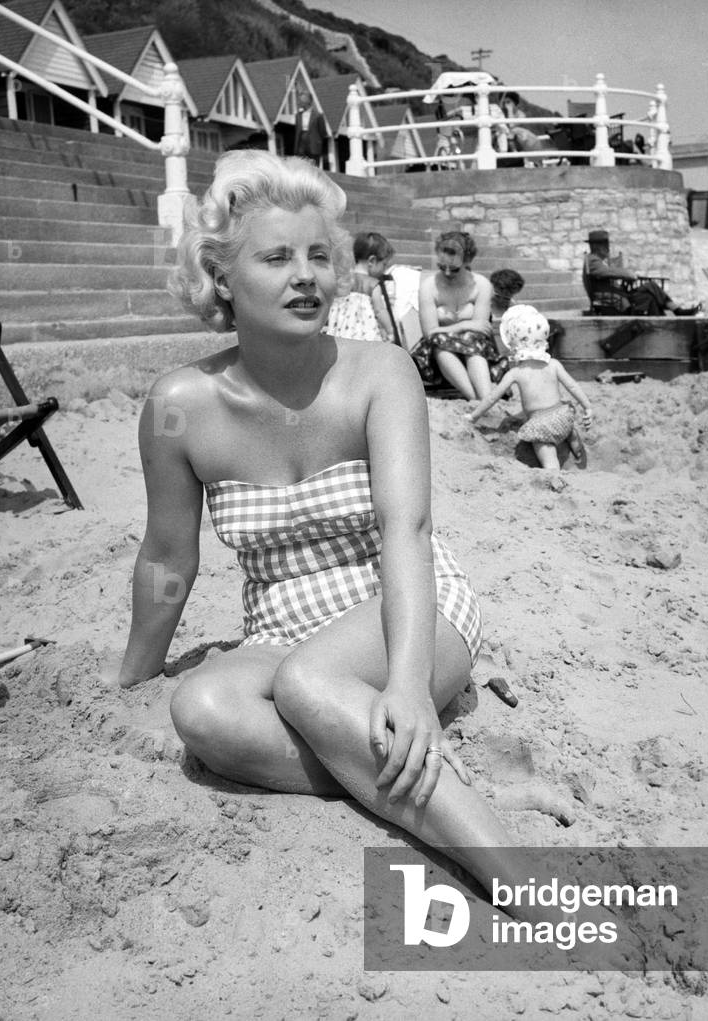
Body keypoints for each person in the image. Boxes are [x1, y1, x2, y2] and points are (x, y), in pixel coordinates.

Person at [117, 149, 531, 904]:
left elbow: (408, 531)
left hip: (405, 607)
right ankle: (396, 774)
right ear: (221, 277)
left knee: (310, 684)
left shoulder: (381, 372)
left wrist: (407, 685)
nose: (305, 275)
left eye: (318, 255)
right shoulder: (179, 405)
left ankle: (519, 876)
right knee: (201, 711)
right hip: (281, 628)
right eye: (276, 257)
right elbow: (168, 555)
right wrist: (132, 678)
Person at [467, 304, 592, 473]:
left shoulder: (516, 373)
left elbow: (491, 398)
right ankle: (576, 448)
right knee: (567, 427)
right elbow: (572, 386)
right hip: (563, 416)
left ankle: (554, 474)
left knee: (548, 456)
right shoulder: (554, 364)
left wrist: (473, 416)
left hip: (541, 425)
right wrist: (587, 407)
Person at [416, 231, 494, 399]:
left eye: (454, 269)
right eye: (441, 267)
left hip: (473, 345)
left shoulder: (481, 285)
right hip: (437, 351)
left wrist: (453, 329)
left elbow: (480, 329)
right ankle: (475, 399)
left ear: (467, 261)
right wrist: (464, 324)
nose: (447, 273)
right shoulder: (429, 287)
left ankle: (486, 398)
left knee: (472, 340)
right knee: (440, 343)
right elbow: (430, 332)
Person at [585, 229, 699, 316]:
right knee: (650, 290)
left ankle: (668, 317)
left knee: (650, 292)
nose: (608, 247)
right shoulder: (593, 261)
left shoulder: (599, 261)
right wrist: (628, 274)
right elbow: (607, 272)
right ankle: (674, 313)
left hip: (620, 295)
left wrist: (626, 276)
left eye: (607, 244)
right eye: (604, 244)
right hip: (616, 299)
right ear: (595, 246)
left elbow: (610, 272)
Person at [325, 231, 393, 343]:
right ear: (372, 261)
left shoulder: (343, 280)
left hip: (340, 335)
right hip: (364, 339)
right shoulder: (373, 284)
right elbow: (379, 310)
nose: (384, 270)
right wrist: (390, 330)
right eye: (384, 264)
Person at [293, 92, 329, 168]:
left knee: (314, 167)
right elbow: (297, 132)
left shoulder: (318, 115)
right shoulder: (298, 116)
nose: (299, 103)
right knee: (301, 166)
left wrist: (317, 141)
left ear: (307, 102)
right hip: (301, 145)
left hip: (313, 144)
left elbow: (323, 132)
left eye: (301, 101)